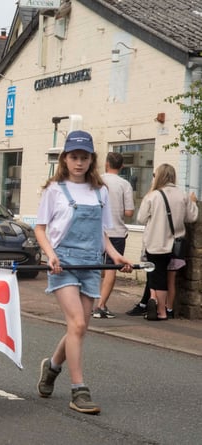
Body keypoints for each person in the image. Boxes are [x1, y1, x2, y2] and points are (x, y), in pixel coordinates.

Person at [34, 130, 132, 415]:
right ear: (65, 159)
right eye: (74, 157)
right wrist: (51, 256)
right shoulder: (54, 190)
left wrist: (114, 255)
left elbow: (101, 230)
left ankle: (52, 367)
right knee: (77, 324)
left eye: (84, 157)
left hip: (91, 264)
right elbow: (40, 228)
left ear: (92, 160)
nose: (79, 162)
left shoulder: (100, 191)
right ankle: (79, 390)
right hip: (63, 263)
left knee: (79, 327)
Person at [136, 163, 197, 321]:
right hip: (176, 245)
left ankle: (160, 310)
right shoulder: (182, 195)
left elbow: (141, 218)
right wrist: (194, 203)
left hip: (156, 244)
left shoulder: (153, 196)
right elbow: (192, 217)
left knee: (157, 278)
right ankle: (168, 309)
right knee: (170, 279)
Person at [94, 152, 134, 319]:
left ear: (106, 164)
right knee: (111, 270)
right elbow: (129, 212)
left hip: (96, 231)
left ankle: (89, 302)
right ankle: (101, 306)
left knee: (94, 268)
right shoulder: (125, 185)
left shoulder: (97, 181)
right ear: (122, 166)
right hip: (116, 232)